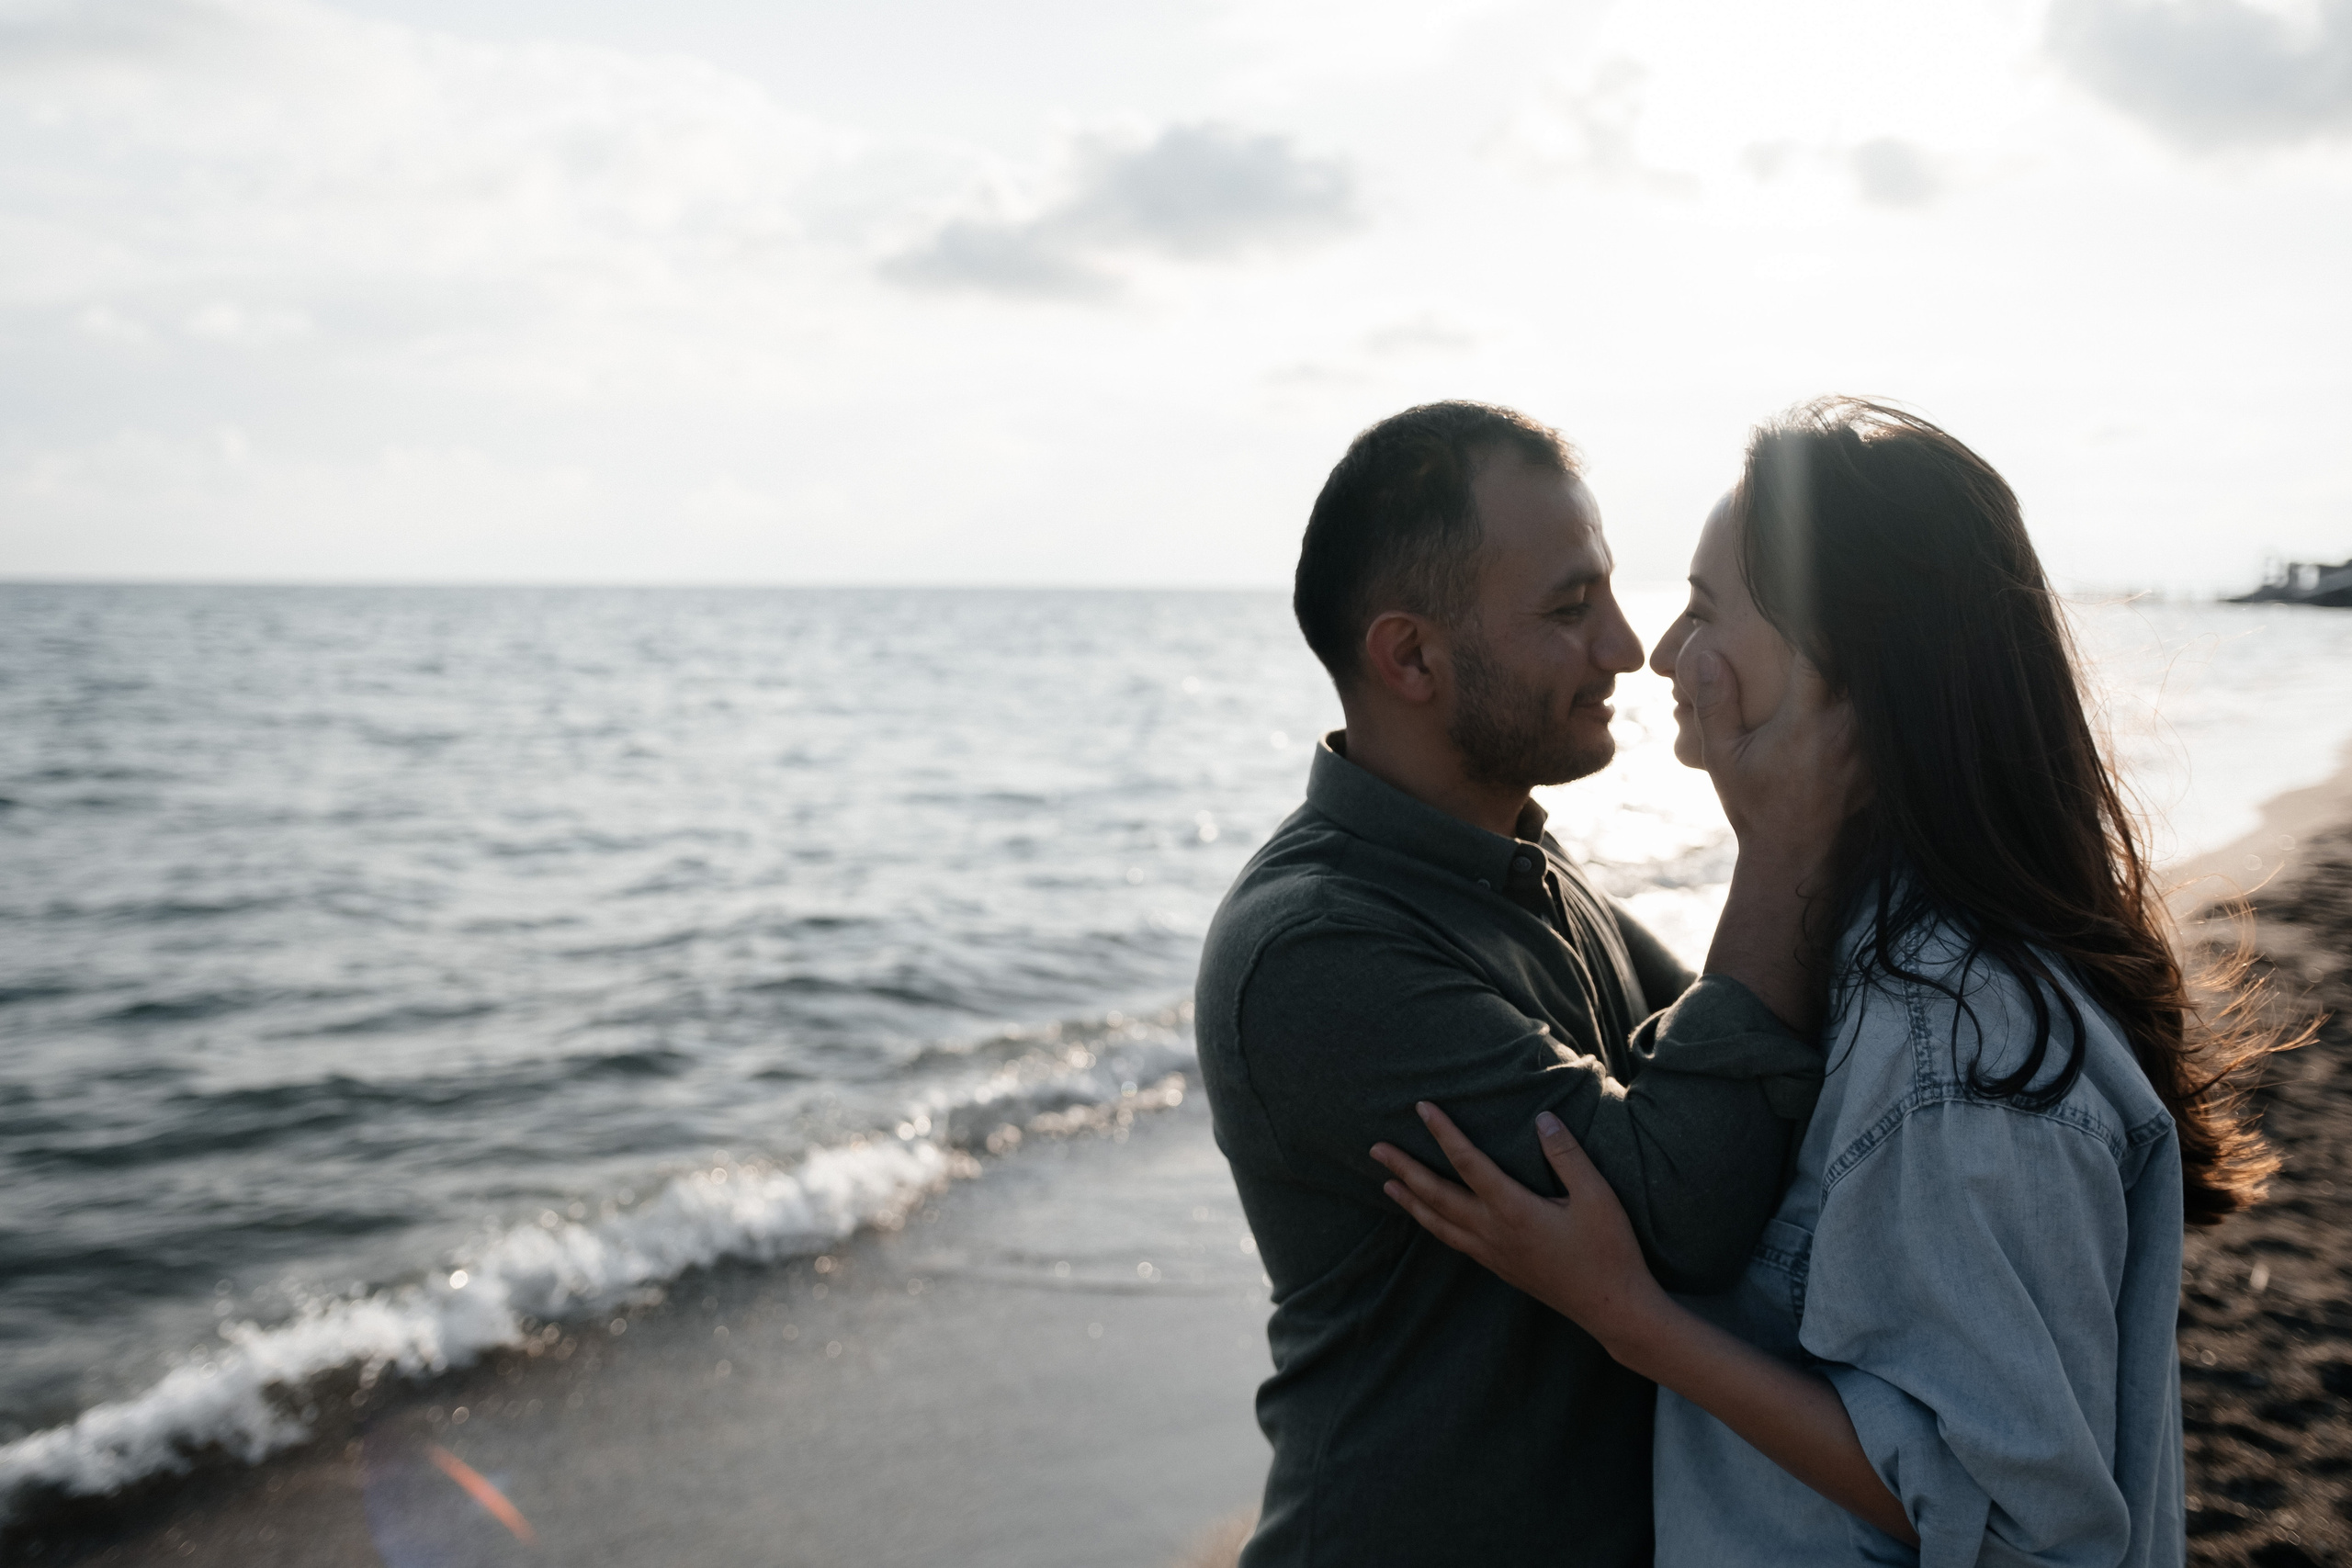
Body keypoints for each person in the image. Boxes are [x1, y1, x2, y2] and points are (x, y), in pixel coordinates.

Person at [1373, 399, 2283, 1566]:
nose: (1655, 654)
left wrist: (1631, 1319)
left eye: (1702, 610)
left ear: (1837, 670)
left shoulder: (1954, 1031)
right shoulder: (1870, 954)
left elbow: (2018, 1529)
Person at [1193, 400, 1862, 1567]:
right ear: (1409, 656)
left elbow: (1726, 1060)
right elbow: (1687, 1202)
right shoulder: (1316, 953)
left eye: (1607, 590)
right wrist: (1781, 845)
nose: (1623, 646)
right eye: (1568, 608)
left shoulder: (1511, 857)